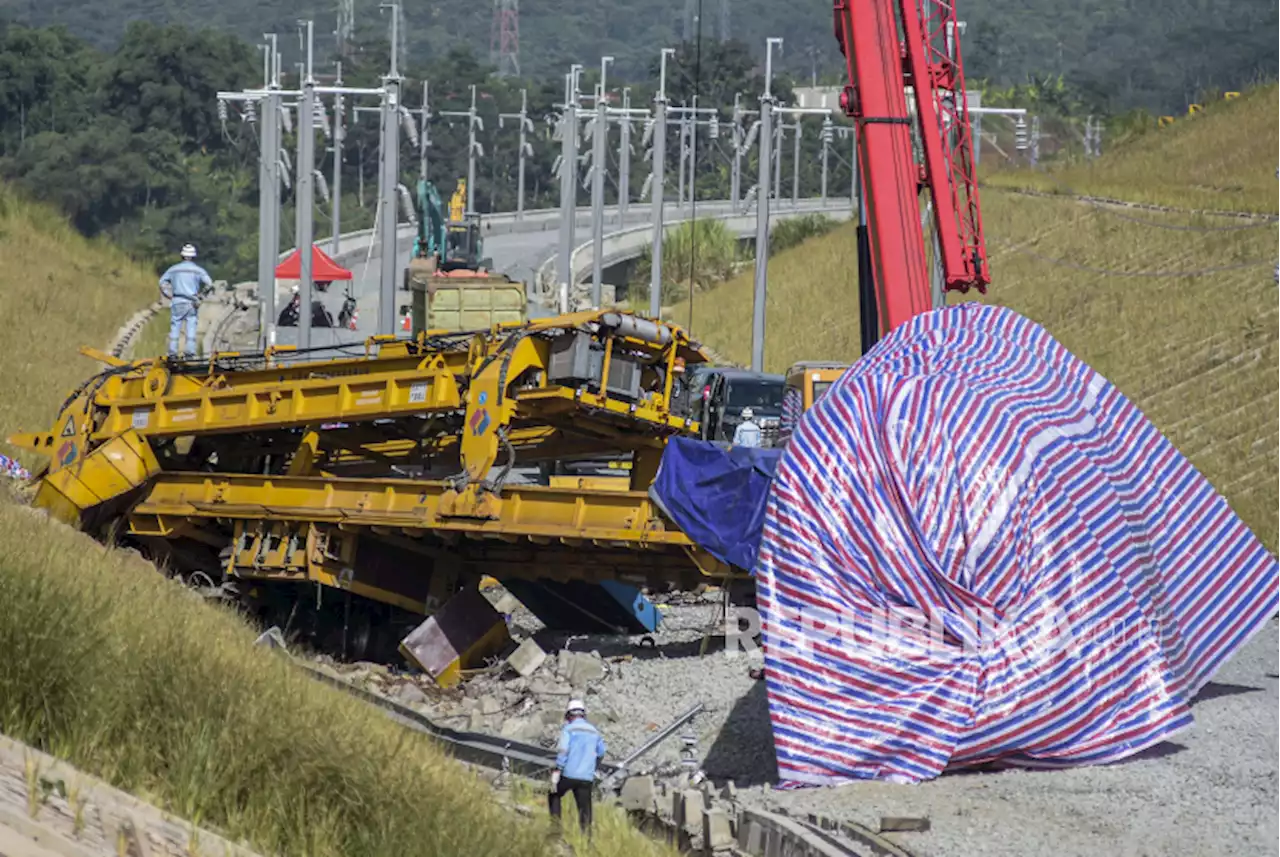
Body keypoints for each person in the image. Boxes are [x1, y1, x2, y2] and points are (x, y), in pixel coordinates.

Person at [548, 699, 606, 833]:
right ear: (583, 714)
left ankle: (555, 828)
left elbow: (563, 751)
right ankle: (586, 841)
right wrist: (594, 767)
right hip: (586, 777)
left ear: (569, 715)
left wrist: (558, 769)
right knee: (585, 809)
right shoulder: (594, 731)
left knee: (554, 794)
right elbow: (601, 752)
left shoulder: (568, 729)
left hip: (569, 774)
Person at [158, 244, 213, 359]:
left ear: (182, 256)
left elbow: (162, 282)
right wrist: (201, 296)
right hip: (192, 302)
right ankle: (190, 353)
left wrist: (168, 295)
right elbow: (209, 284)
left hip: (177, 300)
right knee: (191, 325)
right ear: (193, 256)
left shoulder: (174, 269)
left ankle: (172, 353)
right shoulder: (198, 270)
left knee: (175, 326)